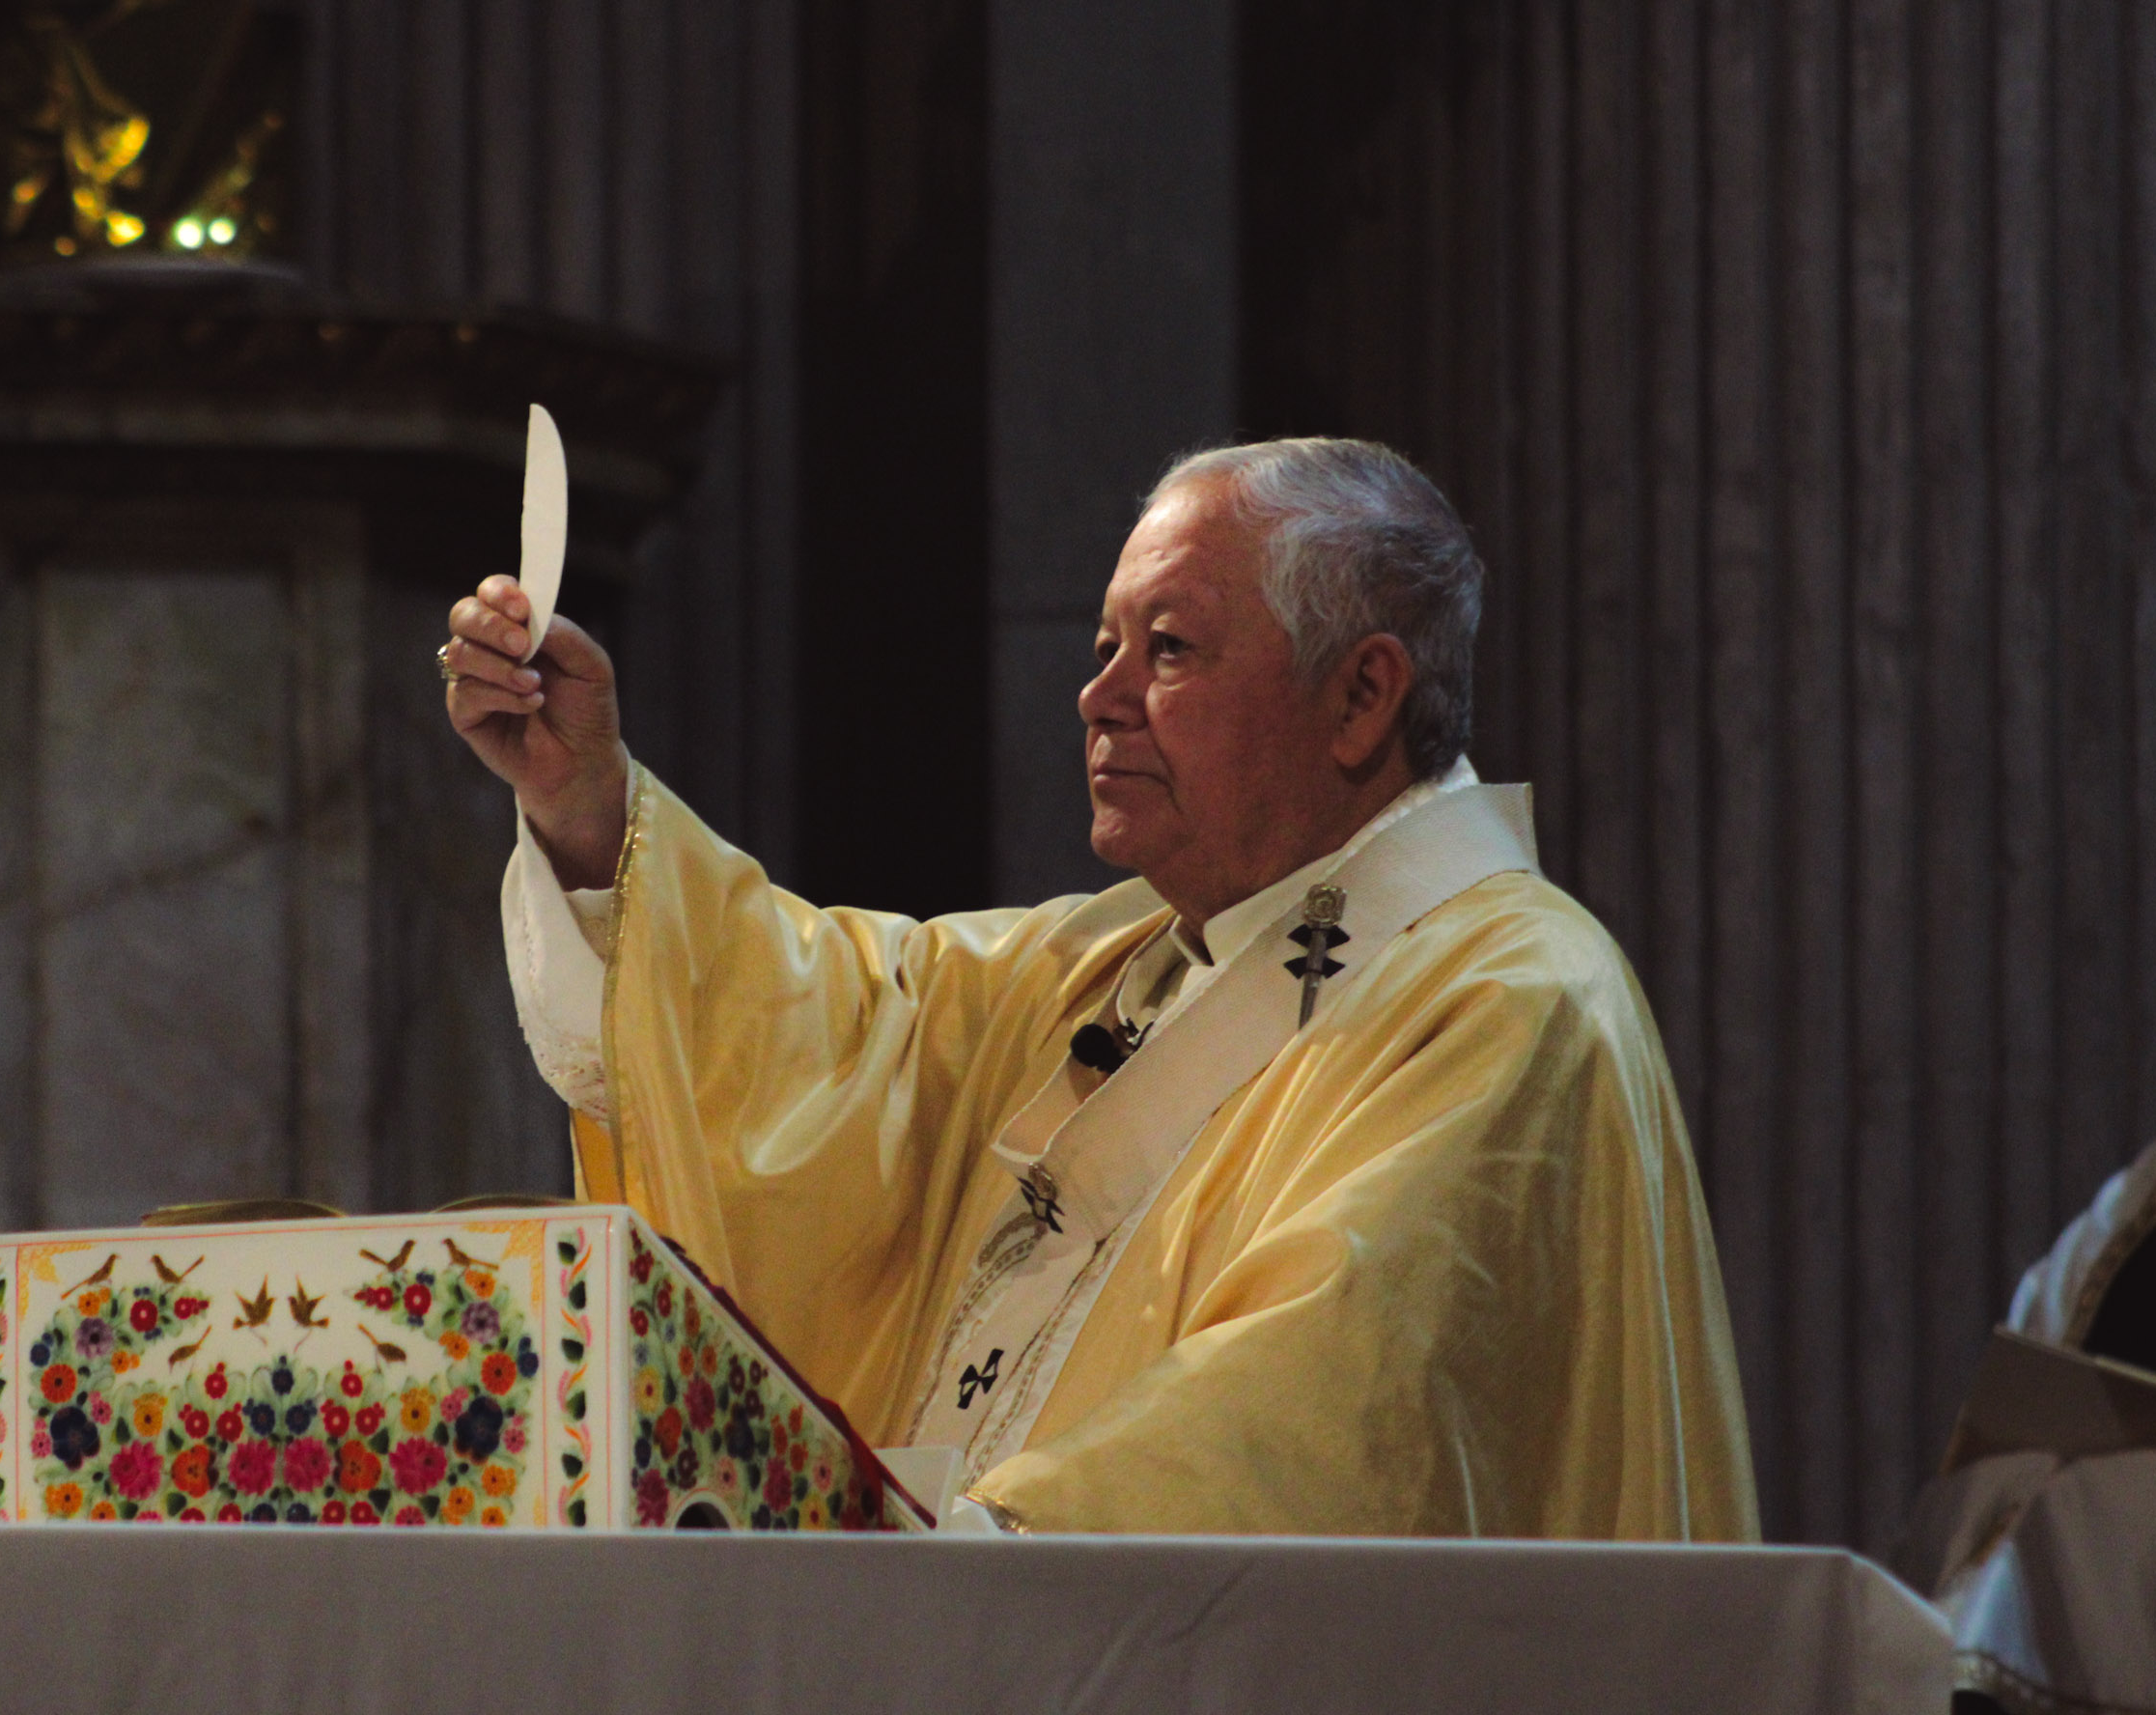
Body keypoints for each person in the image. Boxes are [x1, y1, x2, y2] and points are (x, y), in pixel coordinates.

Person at [439, 436, 1757, 1536]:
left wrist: (959, 1570)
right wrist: (586, 804)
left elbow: (1325, 1411)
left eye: (1169, 650)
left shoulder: (1510, 999)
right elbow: (806, 1025)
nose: (1098, 695)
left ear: (1361, 697)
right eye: (1105, 643)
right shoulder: (1112, 967)